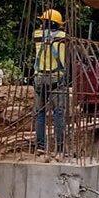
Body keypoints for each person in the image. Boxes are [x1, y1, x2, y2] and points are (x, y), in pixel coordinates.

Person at [33, 9, 67, 153]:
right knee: (58, 113)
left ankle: (40, 146)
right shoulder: (63, 36)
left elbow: (43, 32)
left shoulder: (36, 35)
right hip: (56, 78)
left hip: (39, 79)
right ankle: (59, 148)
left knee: (39, 113)